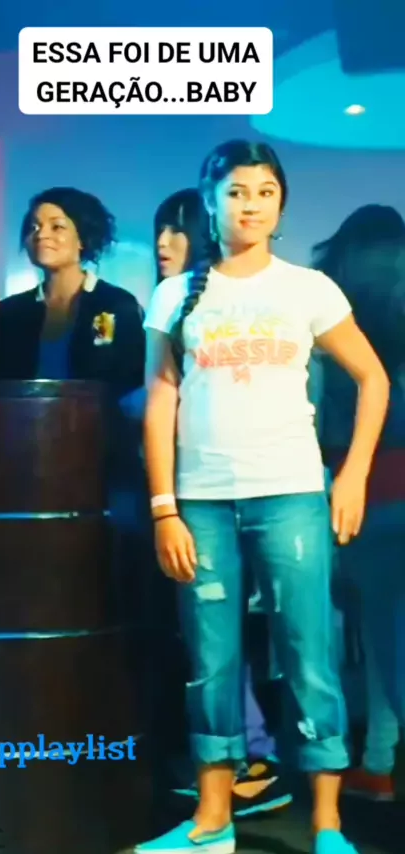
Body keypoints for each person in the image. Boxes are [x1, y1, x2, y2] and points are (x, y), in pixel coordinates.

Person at [136, 140, 389, 854]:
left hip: (292, 496)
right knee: (210, 662)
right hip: (201, 502)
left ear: (281, 204)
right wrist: (164, 507)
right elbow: (160, 401)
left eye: (265, 192)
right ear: (209, 201)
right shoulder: (175, 294)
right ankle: (212, 821)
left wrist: (353, 475)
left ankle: (328, 824)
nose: (251, 205)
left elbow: (373, 378)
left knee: (309, 655)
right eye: (236, 191)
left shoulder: (307, 288)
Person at [155, 188, 292, 818]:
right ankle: (223, 777)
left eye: (176, 231)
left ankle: (258, 760)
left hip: (250, 490)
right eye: (159, 231)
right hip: (182, 493)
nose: (164, 243)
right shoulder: (170, 302)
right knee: (205, 639)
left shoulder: (266, 298)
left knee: (241, 637)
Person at [312, 205, 405, 802]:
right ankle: (379, 760)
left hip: (361, 489)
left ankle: (378, 763)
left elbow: (321, 419)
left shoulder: (330, 310)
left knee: (381, 636)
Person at [0, 186, 144, 395]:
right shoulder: (8, 312)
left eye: (57, 227)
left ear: (82, 239)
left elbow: (131, 381)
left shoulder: (116, 304)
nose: (41, 235)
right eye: (34, 227)